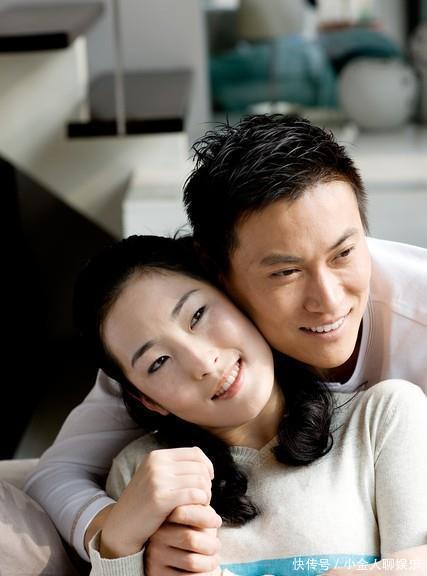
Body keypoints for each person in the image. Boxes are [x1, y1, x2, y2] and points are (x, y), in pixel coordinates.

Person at [25, 115, 427, 574]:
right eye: (285, 272)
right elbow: (55, 476)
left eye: (345, 253)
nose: (329, 301)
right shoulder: (157, 372)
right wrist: (122, 539)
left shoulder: (391, 398)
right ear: (219, 275)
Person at [73, 233, 426, 576]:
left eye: (197, 315)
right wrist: (116, 548)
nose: (203, 362)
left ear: (236, 297)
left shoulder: (382, 417)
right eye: (159, 361)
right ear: (148, 400)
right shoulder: (141, 475)